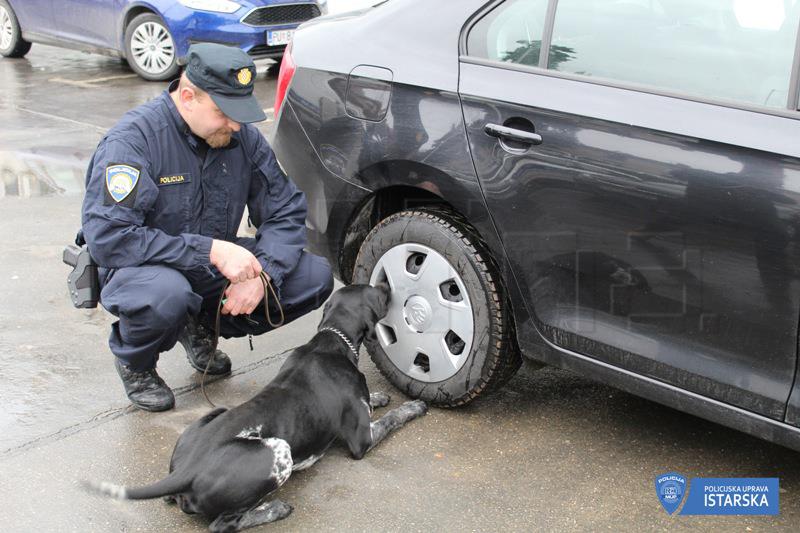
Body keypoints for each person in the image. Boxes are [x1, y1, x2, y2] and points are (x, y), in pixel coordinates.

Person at [81, 43, 333, 412]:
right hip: (143, 272)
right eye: (224, 112)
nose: (234, 124)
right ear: (187, 97)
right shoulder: (133, 143)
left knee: (313, 276)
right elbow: (110, 239)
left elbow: (285, 210)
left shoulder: (240, 138)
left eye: (240, 113)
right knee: (167, 294)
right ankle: (136, 363)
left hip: (210, 267)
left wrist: (263, 276)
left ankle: (199, 326)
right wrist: (213, 250)